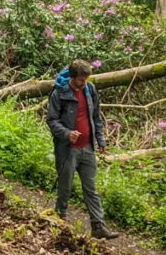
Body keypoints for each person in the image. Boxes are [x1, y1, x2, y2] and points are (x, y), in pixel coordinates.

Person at [46, 59, 118, 239]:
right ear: (72, 78)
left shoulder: (90, 89)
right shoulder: (59, 93)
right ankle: (59, 221)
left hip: (88, 147)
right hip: (67, 149)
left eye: (86, 79)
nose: (84, 83)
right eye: (80, 80)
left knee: (91, 188)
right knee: (65, 187)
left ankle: (98, 226)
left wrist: (100, 140)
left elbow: (96, 116)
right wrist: (67, 133)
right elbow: (52, 120)